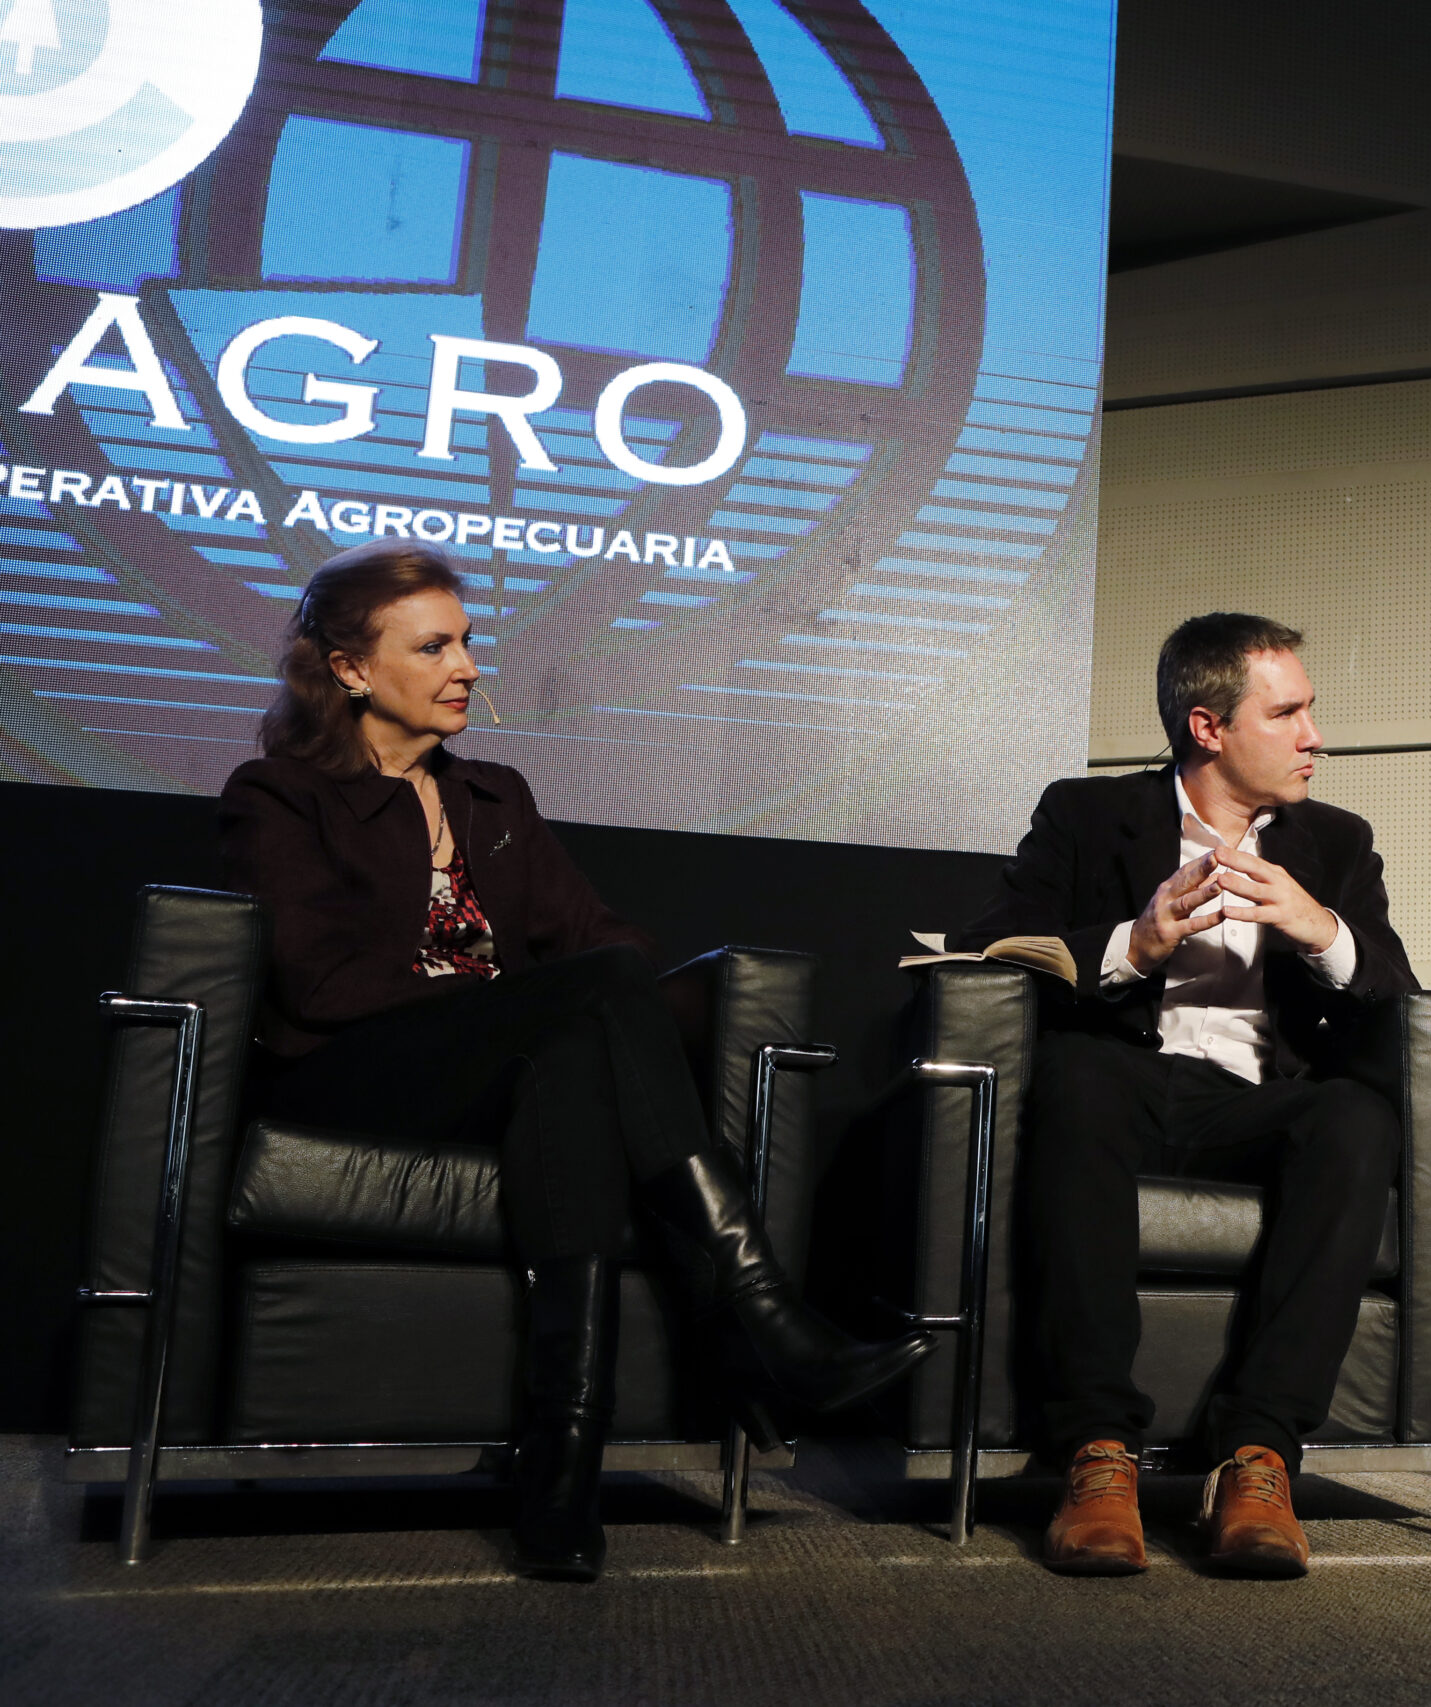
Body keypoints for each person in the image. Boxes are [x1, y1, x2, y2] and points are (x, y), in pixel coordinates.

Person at [217, 542, 932, 1582]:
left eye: (467, 642)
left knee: (577, 1059)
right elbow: (319, 985)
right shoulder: (280, 794)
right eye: (434, 647)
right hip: (352, 1076)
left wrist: (535, 1007)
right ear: (350, 668)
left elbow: (610, 941)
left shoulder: (494, 799)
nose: (467, 666)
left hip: (497, 1073)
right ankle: (759, 1313)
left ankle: (561, 1469)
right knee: (582, 1006)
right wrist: (511, 998)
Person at [953, 613, 1418, 1578]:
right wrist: (1134, 944)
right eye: (1286, 713)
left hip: (1251, 1099)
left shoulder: (1336, 840)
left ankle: (1257, 1459)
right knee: (1077, 1074)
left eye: (1309, 710)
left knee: (1354, 1118)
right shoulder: (1086, 815)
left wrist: (1321, 928)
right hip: (1122, 1081)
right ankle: (1097, 1454)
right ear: (1208, 727)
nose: (1314, 735)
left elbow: (1396, 992)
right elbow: (991, 945)